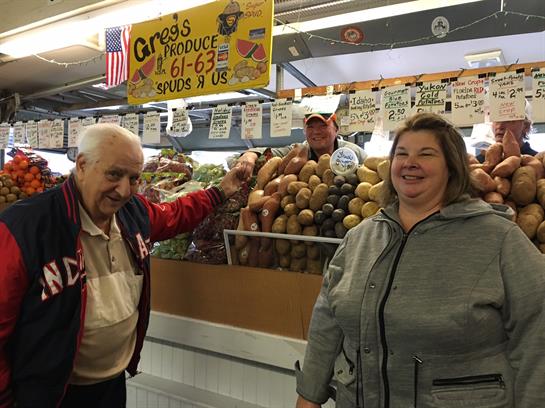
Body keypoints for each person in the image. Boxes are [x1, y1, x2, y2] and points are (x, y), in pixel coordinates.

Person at [295, 112, 545, 407]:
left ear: (452, 167)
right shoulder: (359, 238)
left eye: (426, 154)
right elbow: (326, 324)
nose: (410, 162)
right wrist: (309, 395)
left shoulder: (500, 239)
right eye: (402, 154)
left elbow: (537, 337)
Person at [0, 124, 248, 408]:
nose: (123, 190)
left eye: (133, 178)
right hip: (50, 396)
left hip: (112, 386)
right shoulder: (25, 227)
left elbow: (174, 215)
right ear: (82, 165)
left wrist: (221, 191)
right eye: (114, 174)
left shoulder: (133, 213)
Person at [237, 112, 367, 179]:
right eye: (310, 127)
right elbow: (272, 153)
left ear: (336, 130)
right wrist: (250, 155)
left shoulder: (354, 152)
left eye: (323, 126)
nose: (316, 131)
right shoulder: (298, 150)